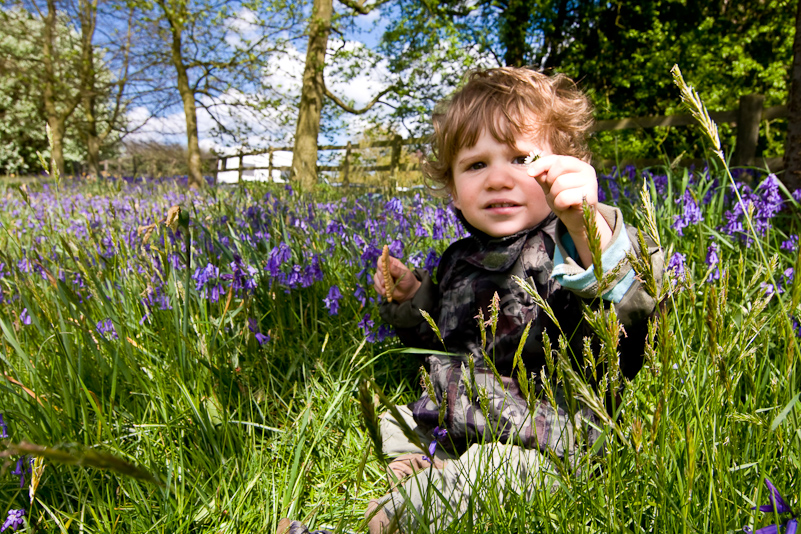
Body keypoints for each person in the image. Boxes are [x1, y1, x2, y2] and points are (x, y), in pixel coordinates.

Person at [365, 67, 664, 533]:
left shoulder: (567, 244)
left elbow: (628, 320)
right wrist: (409, 296)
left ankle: (403, 515)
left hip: (541, 435)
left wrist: (589, 226)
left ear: (563, 168)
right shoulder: (457, 259)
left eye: (522, 159)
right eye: (476, 164)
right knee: (396, 418)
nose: (498, 179)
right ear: (453, 191)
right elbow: (433, 337)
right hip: (461, 412)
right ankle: (427, 465)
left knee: (494, 472)